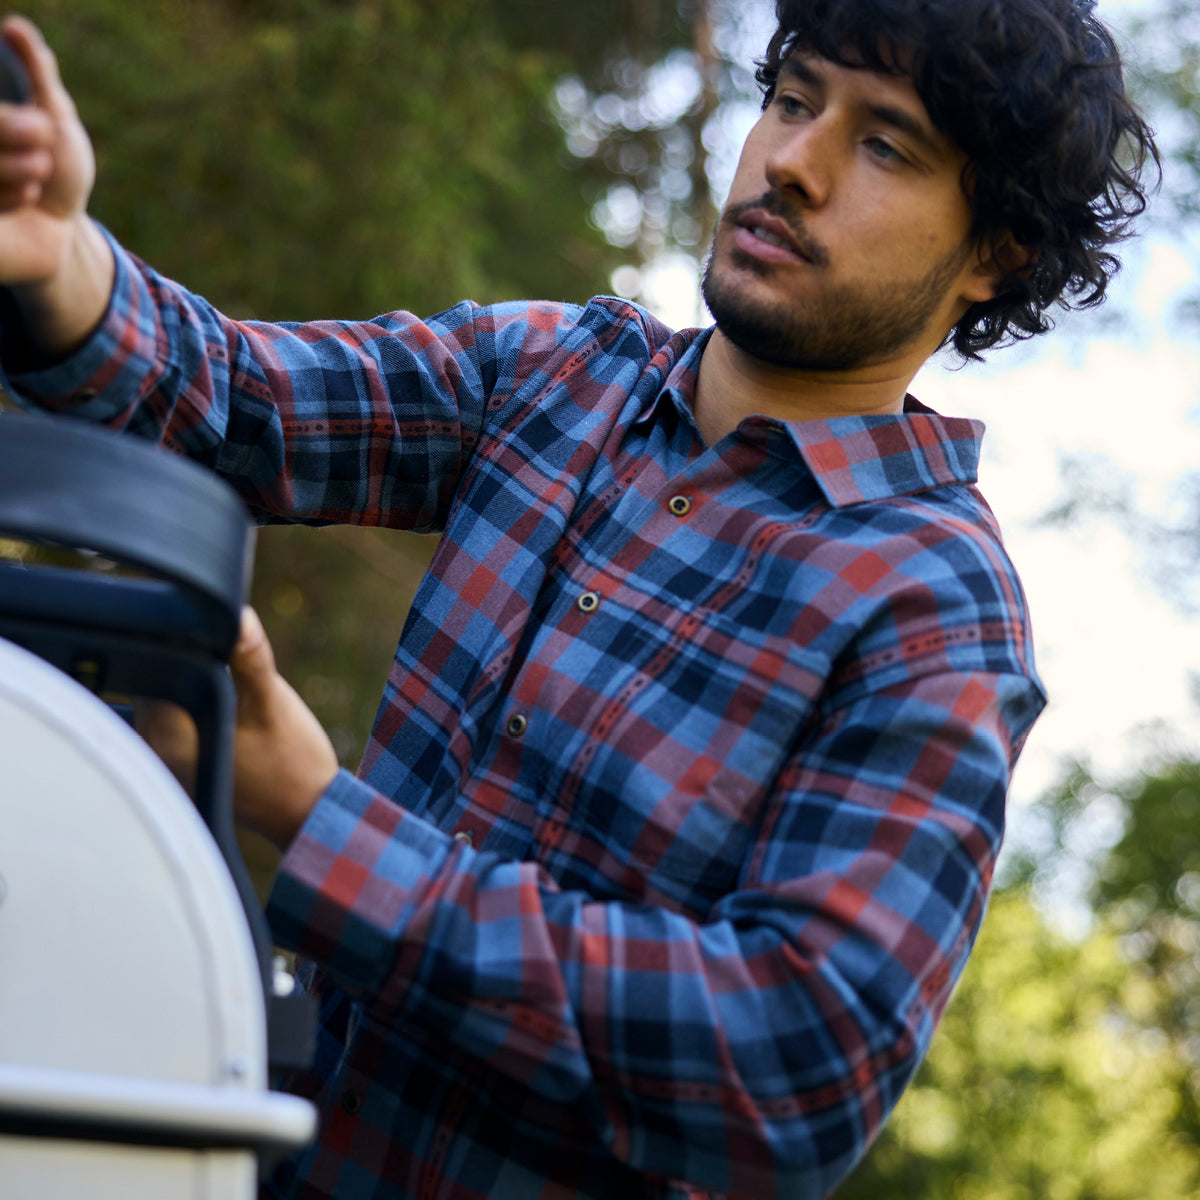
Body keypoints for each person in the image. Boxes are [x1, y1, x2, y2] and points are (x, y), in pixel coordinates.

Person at [0, 0, 1157, 1196]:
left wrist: (316, 820)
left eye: (886, 146)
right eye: (795, 99)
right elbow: (237, 401)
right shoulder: (559, 373)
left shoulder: (937, 611)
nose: (791, 164)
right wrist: (59, 254)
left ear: (994, 253)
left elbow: (791, 1068)